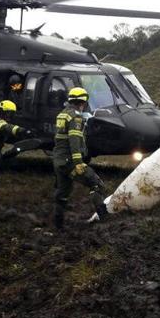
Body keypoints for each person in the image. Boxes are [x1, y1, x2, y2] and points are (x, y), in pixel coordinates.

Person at [52, 87, 109, 229]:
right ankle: (106, 222)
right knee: (96, 184)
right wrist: (78, 162)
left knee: (63, 193)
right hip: (70, 161)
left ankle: (58, 225)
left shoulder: (63, 114)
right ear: (83, 102)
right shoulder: (75, 117)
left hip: (59, 161)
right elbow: (74, 140)